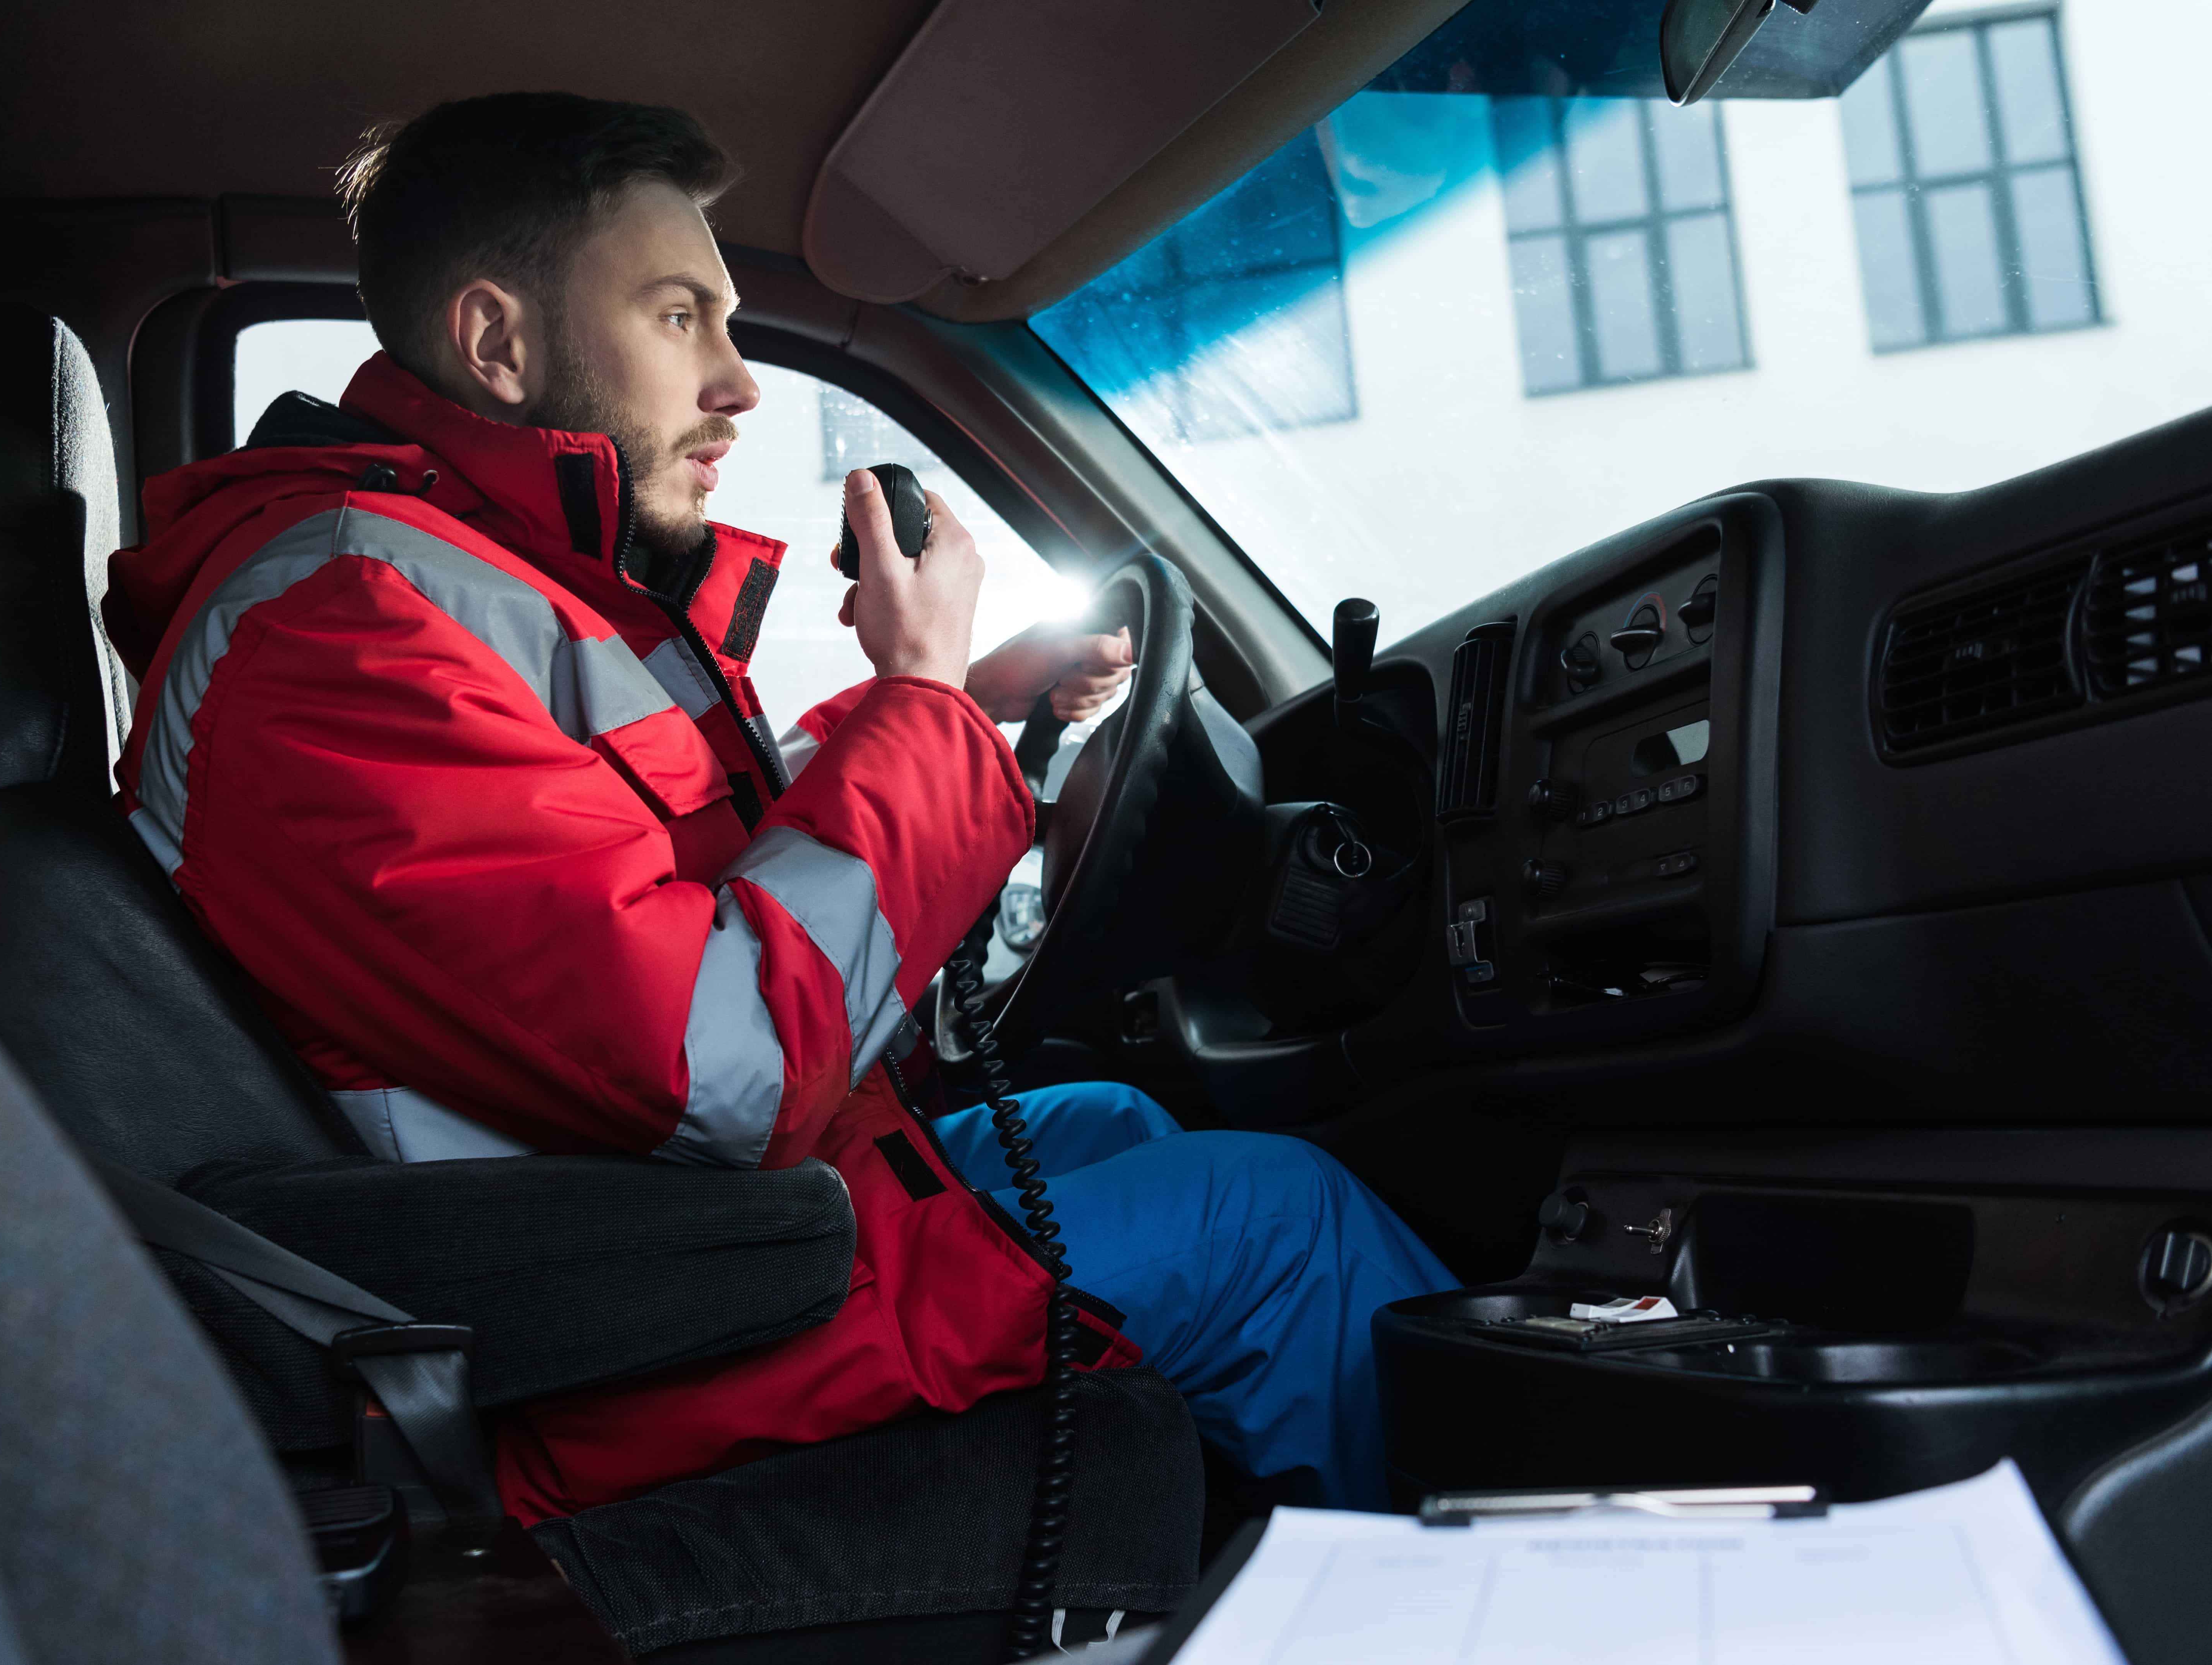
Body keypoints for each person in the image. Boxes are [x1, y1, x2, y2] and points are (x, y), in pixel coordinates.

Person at [102, 91, 1452, 1523]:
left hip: (686, 1235)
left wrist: (958, 702)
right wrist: (920, 712)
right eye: (682, 317)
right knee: (1275, 1221)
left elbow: (667, 850)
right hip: (611, 1334)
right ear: (497, 342)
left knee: (1116, 1120)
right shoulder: (339, 630)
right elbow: (720, 1064)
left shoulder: (481, 580)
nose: (738, 382)